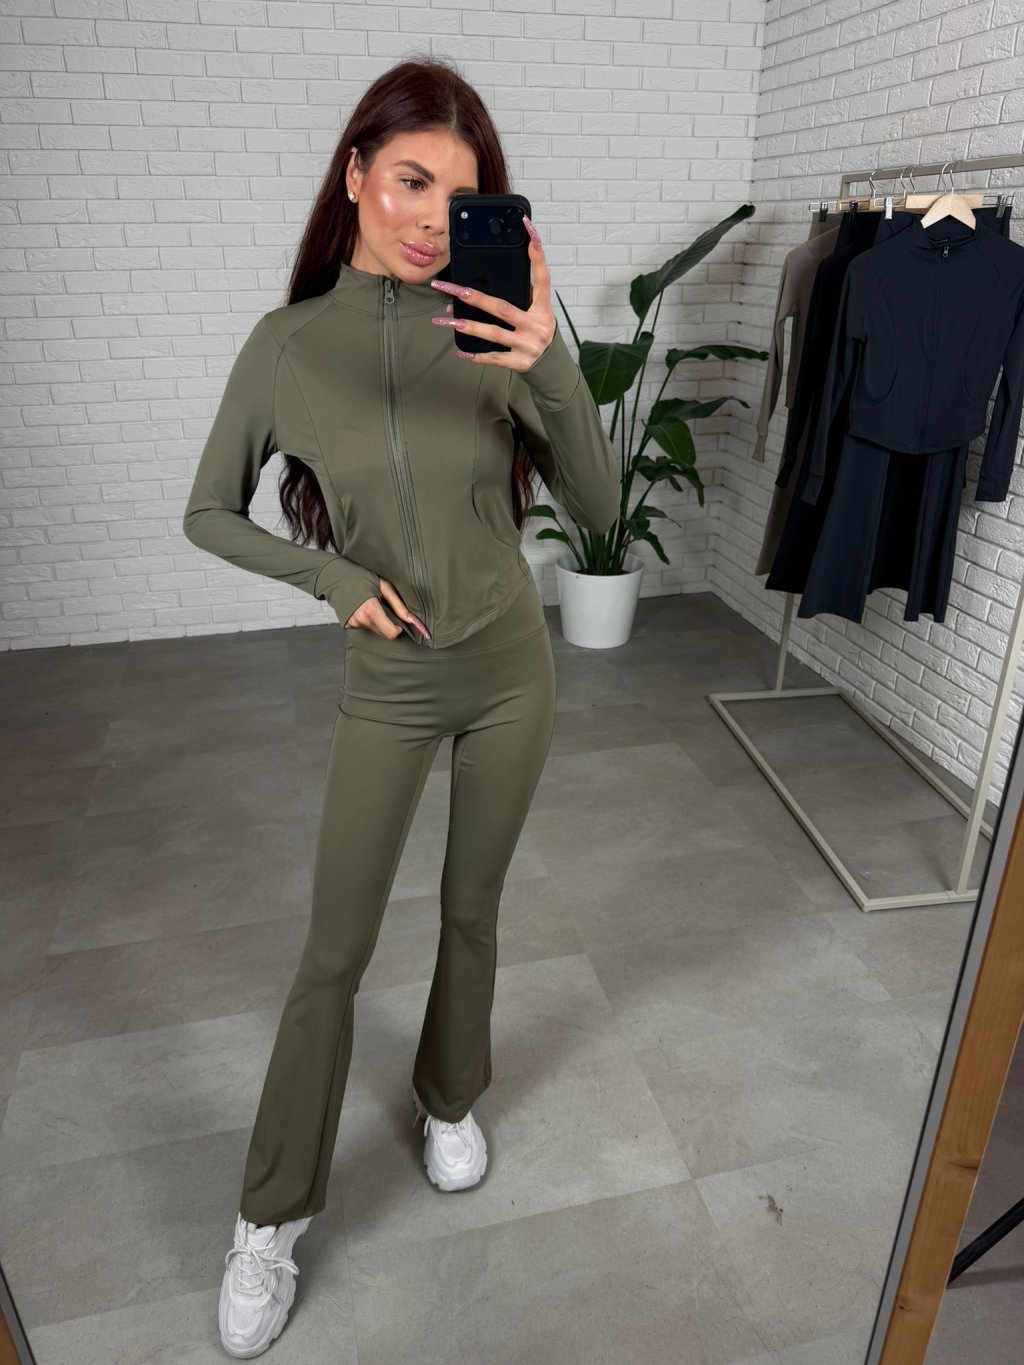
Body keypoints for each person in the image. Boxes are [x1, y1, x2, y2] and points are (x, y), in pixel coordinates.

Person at [182, 56, 619, 1359]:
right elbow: (207, 511)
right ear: (357, 172)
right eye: (412, 181)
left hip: (510, 670)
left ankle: (449, 1095)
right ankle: (268, 1217)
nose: (432, 218)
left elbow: (600, 509)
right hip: (390, 680)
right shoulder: (287, 348)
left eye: (459, 197)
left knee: (473, 905)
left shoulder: (496, 325)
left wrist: (548, 362)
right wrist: (329, 577)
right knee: (334, 950)